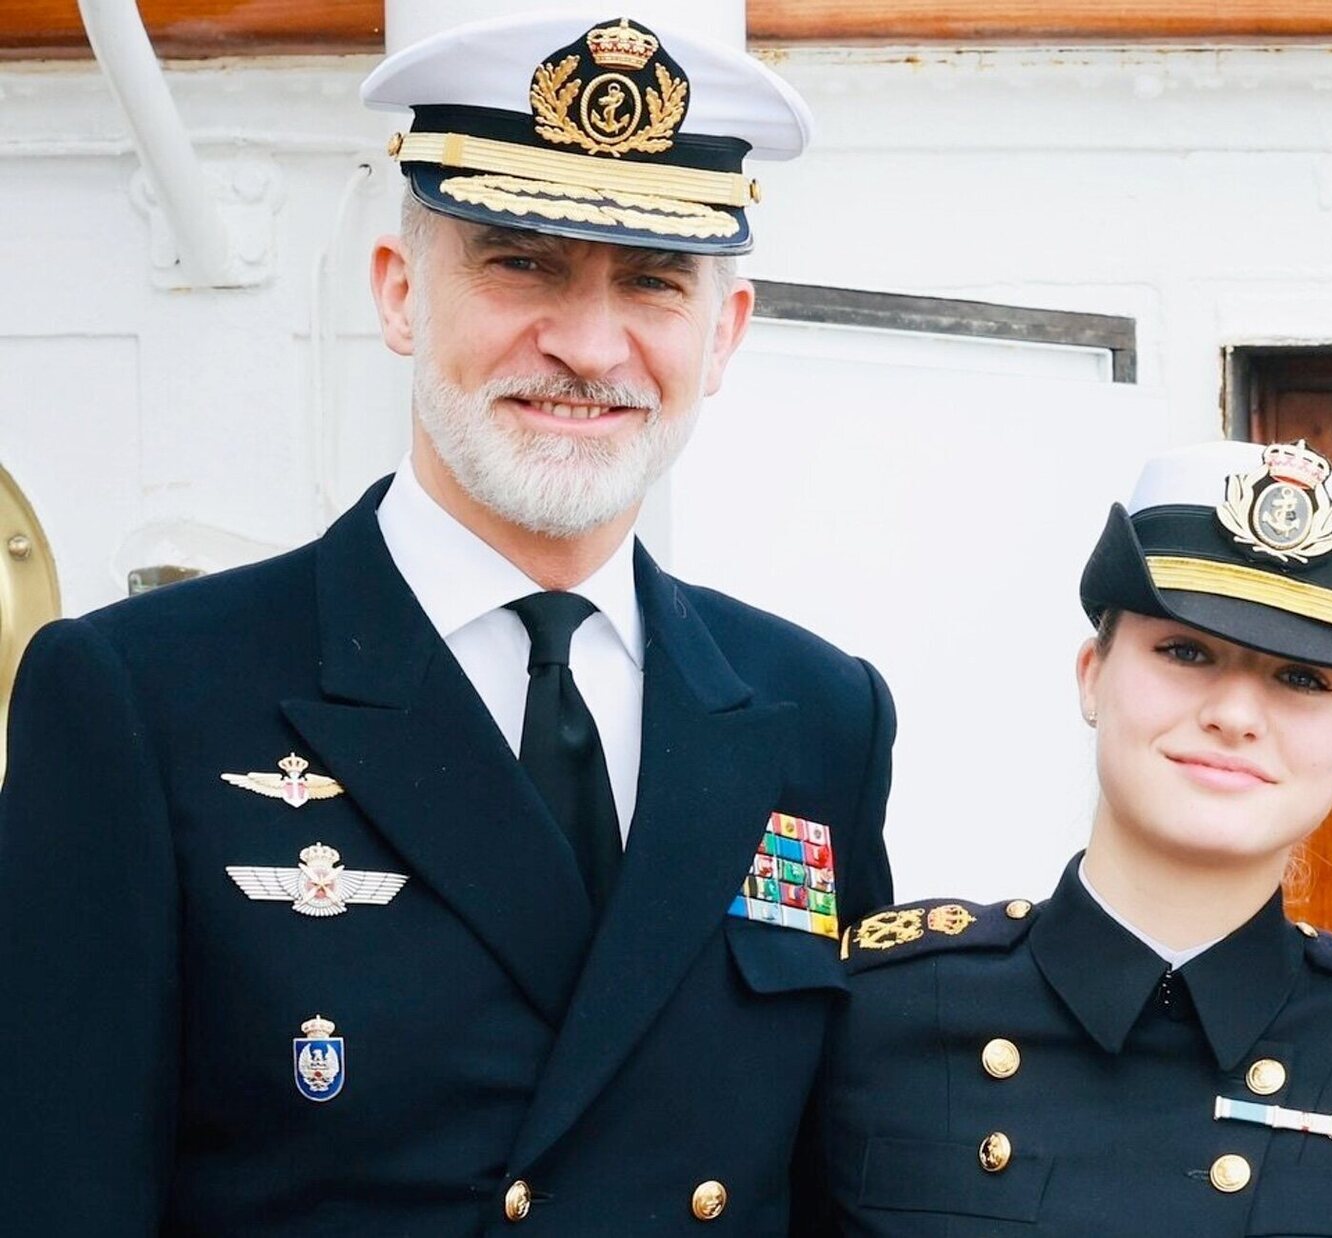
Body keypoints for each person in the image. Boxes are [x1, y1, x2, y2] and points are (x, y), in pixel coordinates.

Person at [0, 10, 893, 1234]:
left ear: (722, 335)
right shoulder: (140, 698)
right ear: (400, 289)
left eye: (652, 281)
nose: (587, 344)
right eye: (520, 261)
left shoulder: (817, 715)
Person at [806, 440, 1332, 1236]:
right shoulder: (878, 1007)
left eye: (1302, 679)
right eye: (1185, 651)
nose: (1234, 715)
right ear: (1092, 674)